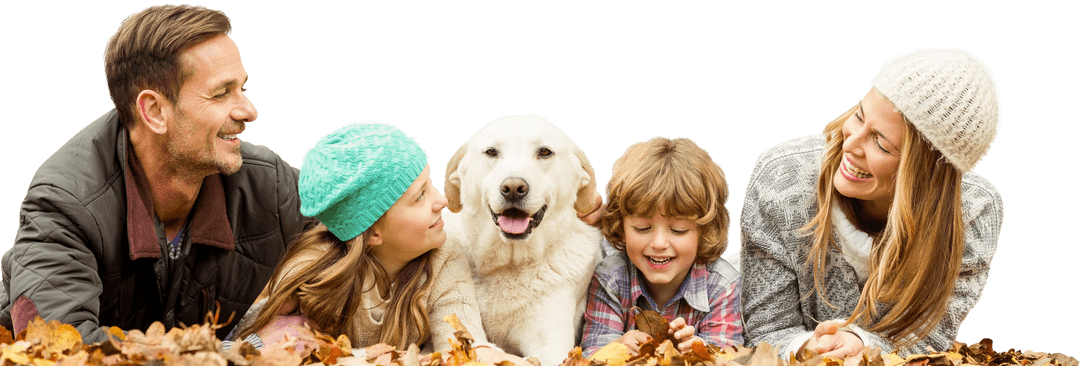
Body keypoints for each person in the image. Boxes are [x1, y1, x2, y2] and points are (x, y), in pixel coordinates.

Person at [0, 4, 305, 343]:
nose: (250, 110)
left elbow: (358, 261)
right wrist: (248, 350)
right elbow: (58, 351)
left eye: (242, 89)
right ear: (155, 111)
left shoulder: (271, 185)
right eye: (221, 93)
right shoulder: (66, 203)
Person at [740, 47, 1004, 357]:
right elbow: (765, 330)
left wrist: (864, 346)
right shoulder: (781, 180)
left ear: (925, 174)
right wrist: (809, 348)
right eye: (859, 116)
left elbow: (928, 337)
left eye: (880, 142)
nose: (849, 144)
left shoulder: (973, 214)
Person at [231, 121, 524, 361]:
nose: (442, 200)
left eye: (430, 185)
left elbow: (462, 348)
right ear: (372, 232)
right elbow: (249, 341)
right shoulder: (316, 273)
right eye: (420, 196)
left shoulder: (444, 257)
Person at [580, 137, 743, 357]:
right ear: (621, 226)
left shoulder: (722, 285)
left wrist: (699, 353)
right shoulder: (611, 278)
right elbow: (591, 354)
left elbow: (730, 358)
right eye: (641, 228)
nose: (658, 244)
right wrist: (617, 349)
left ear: (704, 231)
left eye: (678, 230)